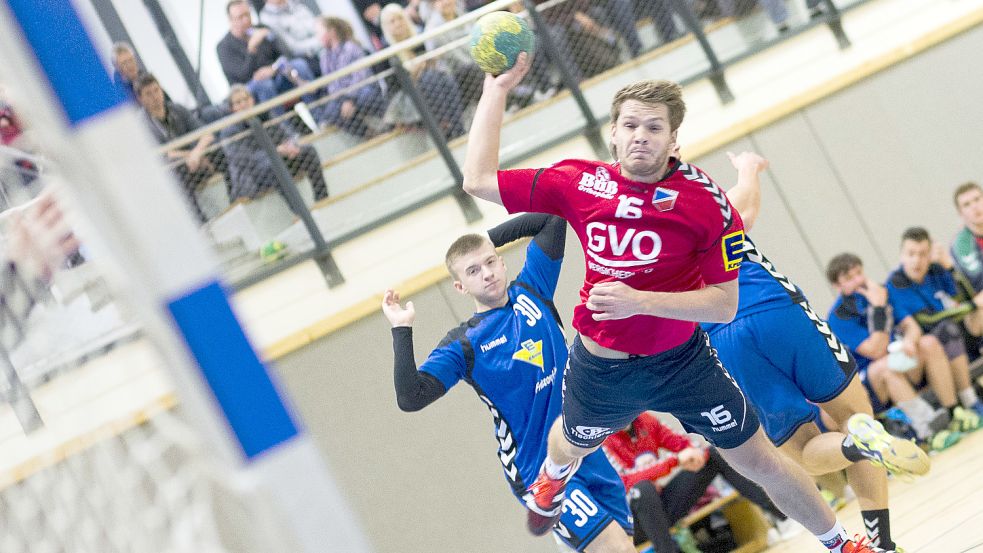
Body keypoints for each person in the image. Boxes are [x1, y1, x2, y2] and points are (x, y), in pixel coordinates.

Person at [462, 55, 893, 552]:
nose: (640, 135)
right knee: (573, 440)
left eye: (654, 126)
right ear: (613, 135)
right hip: (603, 367)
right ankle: (553, 477)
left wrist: (637, 300)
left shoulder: (705, 202)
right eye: (630, 125)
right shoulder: (579, 182)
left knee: (759, 460)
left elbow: (723, 305)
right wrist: (497, 90)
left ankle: (842, 543)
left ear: (674, 140)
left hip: (683, 364)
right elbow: (477, 179)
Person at [698, 153, 930, 551]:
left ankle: (859, 450)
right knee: (855, 415)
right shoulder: (698, 198)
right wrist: (748, 167)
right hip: (775, 308)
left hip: (723, 337)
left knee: (803, 451)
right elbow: (746, 208)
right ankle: (882, 538)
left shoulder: (636, 246)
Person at [381, 213, 636, 552]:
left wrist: (485, 237)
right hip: (538, 471)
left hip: (587, 451)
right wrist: (401, 329)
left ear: (502, 263)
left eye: (489, 262)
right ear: (460, 287)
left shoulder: (533, 287)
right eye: (472, 271)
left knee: (626, 545)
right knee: (616, 549)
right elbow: (411, 397)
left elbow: (552, 221)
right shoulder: (464, 344)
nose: (486, 273)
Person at [826, 252, 964, 449]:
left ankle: (954, 411)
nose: (858, 280)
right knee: (886, 368)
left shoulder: (882, 291)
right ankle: (930, 430)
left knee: (929, 343)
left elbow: (911, 326)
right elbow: (876, 350)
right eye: (849, 278)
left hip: (897, 360)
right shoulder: (838, 317)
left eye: (859, 273)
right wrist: (879, 308)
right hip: (871, 381)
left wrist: (910, 340)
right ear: (837, 287)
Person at [603, 412, 791, 552]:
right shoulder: (601, 441)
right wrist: (675, 461)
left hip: (661, 509)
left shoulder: (645, 420)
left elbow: (681, 443)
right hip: (632, 523)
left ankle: (782, 518)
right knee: (641, 490)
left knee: (713, 455)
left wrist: (693, 453)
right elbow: (625, 482)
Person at [885, 227, 983, 426]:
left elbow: (966, 297)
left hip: (954, 337)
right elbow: (927, 321)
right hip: (925, 349)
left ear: (930, 255)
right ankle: (968, 401)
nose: (916, 260)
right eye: (910, 254)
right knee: (948, 329)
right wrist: (972, 305)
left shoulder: (937, 270)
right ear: (901, 255)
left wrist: (950, 267)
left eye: (922, 254)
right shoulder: (895, 284)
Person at [135, 73, 228, 224]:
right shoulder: (143, 124)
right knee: (177, 173)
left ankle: (235, 199)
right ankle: (201, 223)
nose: (155, 96)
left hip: (196, 160)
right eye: (148, 94)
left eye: (156, 90)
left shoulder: (177, 109)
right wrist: (191, 156)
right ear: (141, 99)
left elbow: (207, 134)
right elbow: (165, 154)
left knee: (221, 150)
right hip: (174, 170)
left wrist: (197, 153)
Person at [220, 84, 328, 204]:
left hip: (280, 159)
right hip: (254, 176)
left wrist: (290, 146)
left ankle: (322, 199)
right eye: (238, 102)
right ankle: (300, 211)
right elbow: (245, 159)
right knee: (273, 165)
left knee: (308, 151)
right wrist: (277, 152)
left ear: (252, 100)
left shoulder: (266, 115)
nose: (244, 104)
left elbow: (287, 133)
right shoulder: (229, 132)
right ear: (232, 108)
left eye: (246, 99)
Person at [379, 3, 465, 139]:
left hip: (432, 81)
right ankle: (446, 127)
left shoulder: (418, 37)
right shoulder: (385, 54)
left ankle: (456, 126)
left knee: (444, 78)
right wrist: (414, 73)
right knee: (428, 79)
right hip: (407, 95)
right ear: (386, 27)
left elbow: (432, 63)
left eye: (400, 18)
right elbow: (394, 86)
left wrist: (430, 61)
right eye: (392, 21)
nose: (398, 23)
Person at [217, 0, 317, 115]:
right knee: (264, 84)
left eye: (247, 15)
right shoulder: (224, 47)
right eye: (240, 17)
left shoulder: (262, 29)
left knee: (299, 65)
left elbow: (286, 53)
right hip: (250, 89)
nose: (246, 20)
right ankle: (285, 130)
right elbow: (243, 75)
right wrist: (252, 49)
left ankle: (321, 116)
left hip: (276, 75)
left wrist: (273, 69)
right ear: (230, 20)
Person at [315, 16, 386, 137]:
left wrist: (350, 99)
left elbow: (360, 77)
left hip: (362, 89)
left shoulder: (351, 47)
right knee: (330, 112)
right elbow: (332, 85)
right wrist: (343, 100)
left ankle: (390, 122)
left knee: (366, 96)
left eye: (319, 32)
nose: (317, 37)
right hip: (342, 98)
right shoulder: (324, 57)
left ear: (331, 32)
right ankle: (368, 134)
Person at [948, 181, 983, 360]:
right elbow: (978, 282)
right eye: (967, 205)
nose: (974, 207)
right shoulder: (961, 245)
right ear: (961, 213)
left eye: (977, 199)